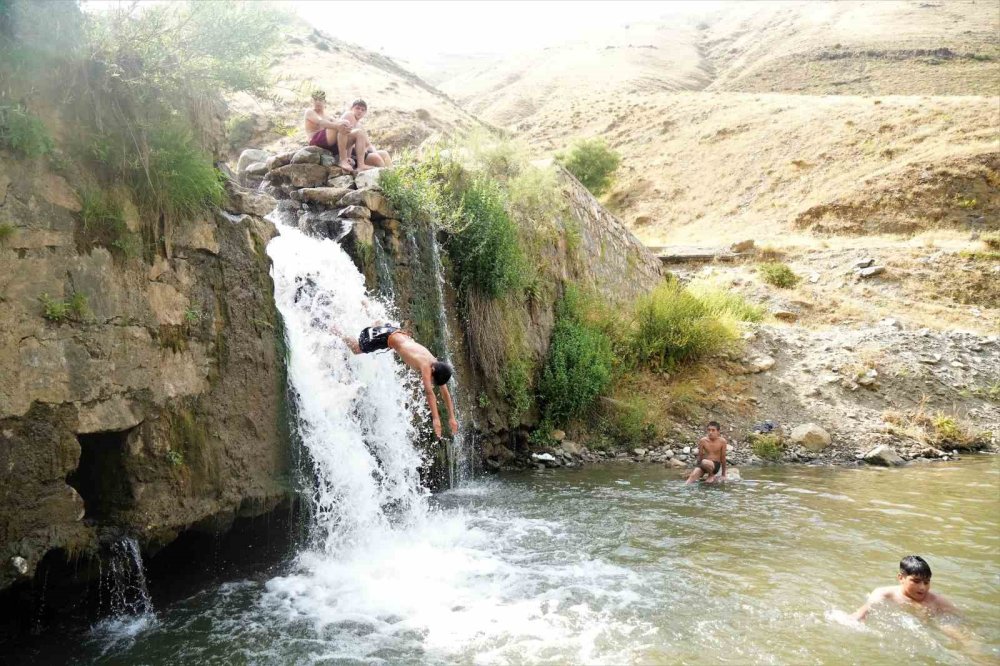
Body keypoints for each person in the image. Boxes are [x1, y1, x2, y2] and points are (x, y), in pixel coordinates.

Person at [337, 322, 457, 438]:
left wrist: (451, 417)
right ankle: (336, 329)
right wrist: (436, 419)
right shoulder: (426, 366)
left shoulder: (434, 362)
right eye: (431, 379)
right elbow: (429, 393)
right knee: (356, 349)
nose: (429, 381)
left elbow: (444, 391)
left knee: (379, 327)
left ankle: (373, 316)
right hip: (385, 338)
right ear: (433, 370)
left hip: (394, 331)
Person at [850, 555, 959, 622]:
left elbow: (958, 618)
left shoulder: (936, 600)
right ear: (901, 578)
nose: (922, 587)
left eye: (926, 582)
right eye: (916, 581)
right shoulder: (885, 594)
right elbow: (864, 611)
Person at [334, 98, 391, 173]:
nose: (360, 111)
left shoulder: (360, 126)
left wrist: (374, 151)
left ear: (365, 112)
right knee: (376, 158)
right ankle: (385, 177)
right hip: (348, 152)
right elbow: (346, 137)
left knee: (384, 153)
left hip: (362, 153)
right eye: (357, 108)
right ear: (352, 108)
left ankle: (392, 175)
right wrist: (348, 157)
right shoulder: (349, 115)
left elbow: (369, 145)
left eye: (362, 110)